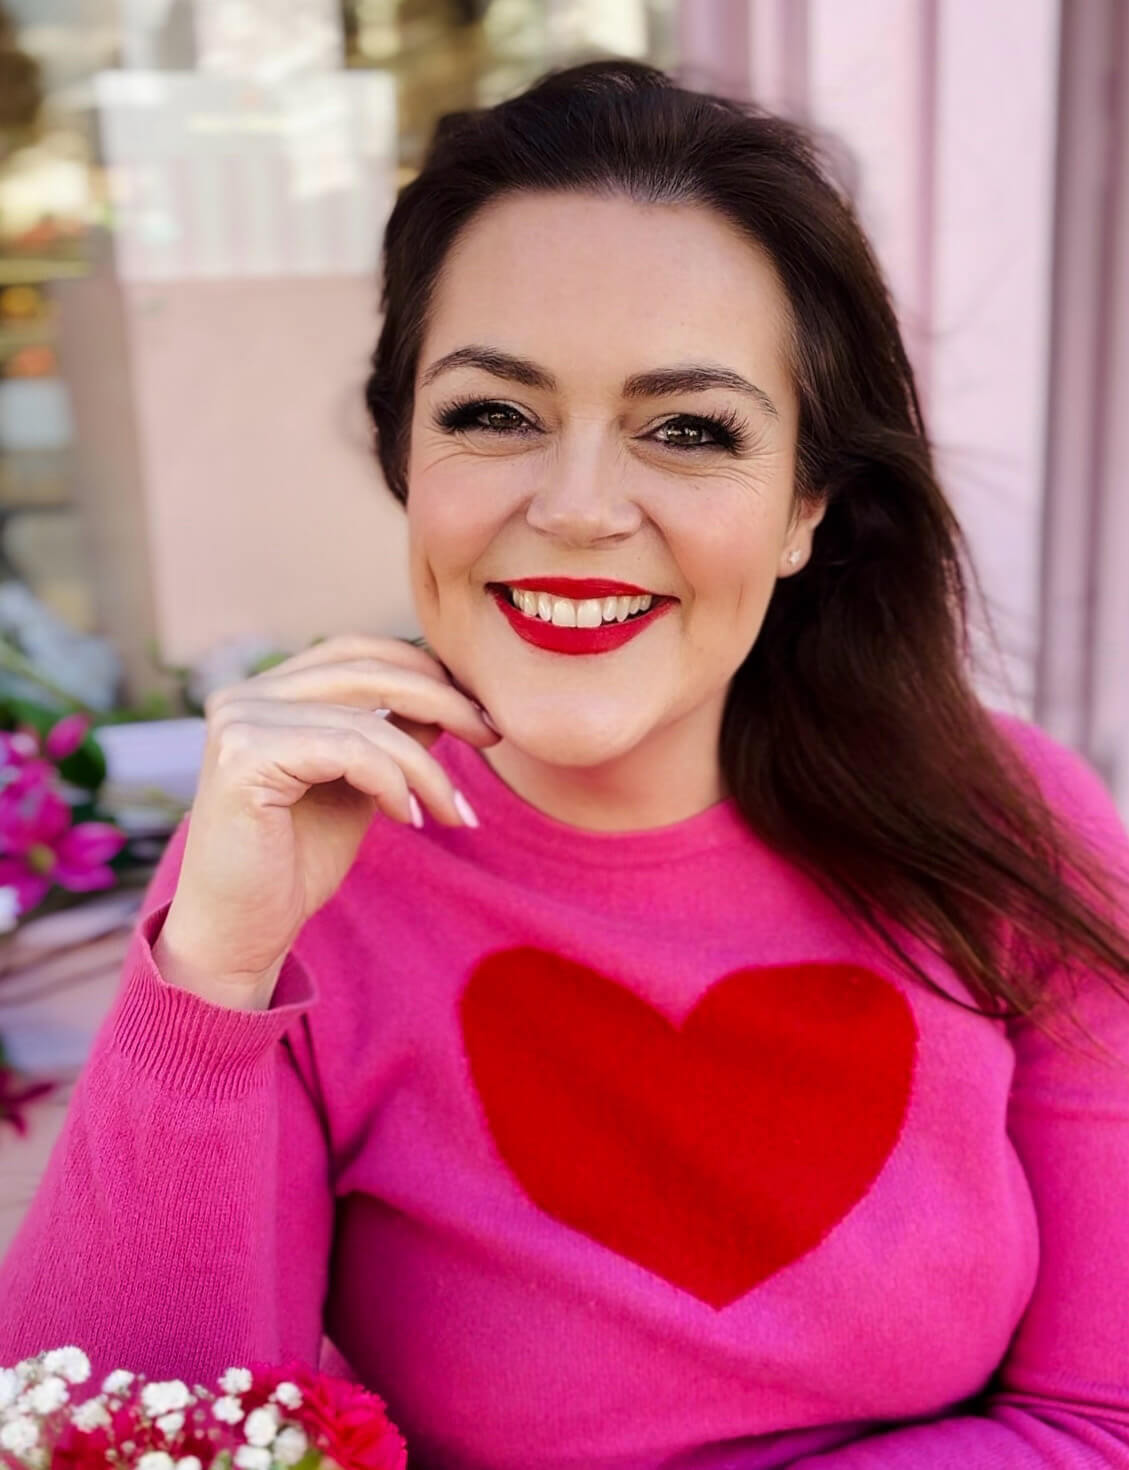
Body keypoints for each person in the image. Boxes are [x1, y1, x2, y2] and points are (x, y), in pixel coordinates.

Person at [2, 57, 1128, 1470]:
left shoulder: (1012, 822)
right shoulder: (292, 862)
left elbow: (1101, 1418)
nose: (579, 504)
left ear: (804, 508)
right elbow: (98, 1435)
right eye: (493, 413)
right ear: (404, 453)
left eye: (688, 430)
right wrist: (215, 971)